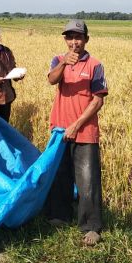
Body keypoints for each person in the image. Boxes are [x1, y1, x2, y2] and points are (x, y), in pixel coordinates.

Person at [45, 19, 108, 246]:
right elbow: (52, 80)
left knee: (87, 180)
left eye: (78, 38)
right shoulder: (57, 60)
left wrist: (77, 124)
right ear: (65, 40)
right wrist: (63, 64)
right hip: (59, 129)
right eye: (70, 38)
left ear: (86, 40)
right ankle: (60, 216)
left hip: (85, 131)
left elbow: (98, 100)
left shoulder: (95, 65)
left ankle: (91, 226)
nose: (74, 42)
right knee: (60, 175)